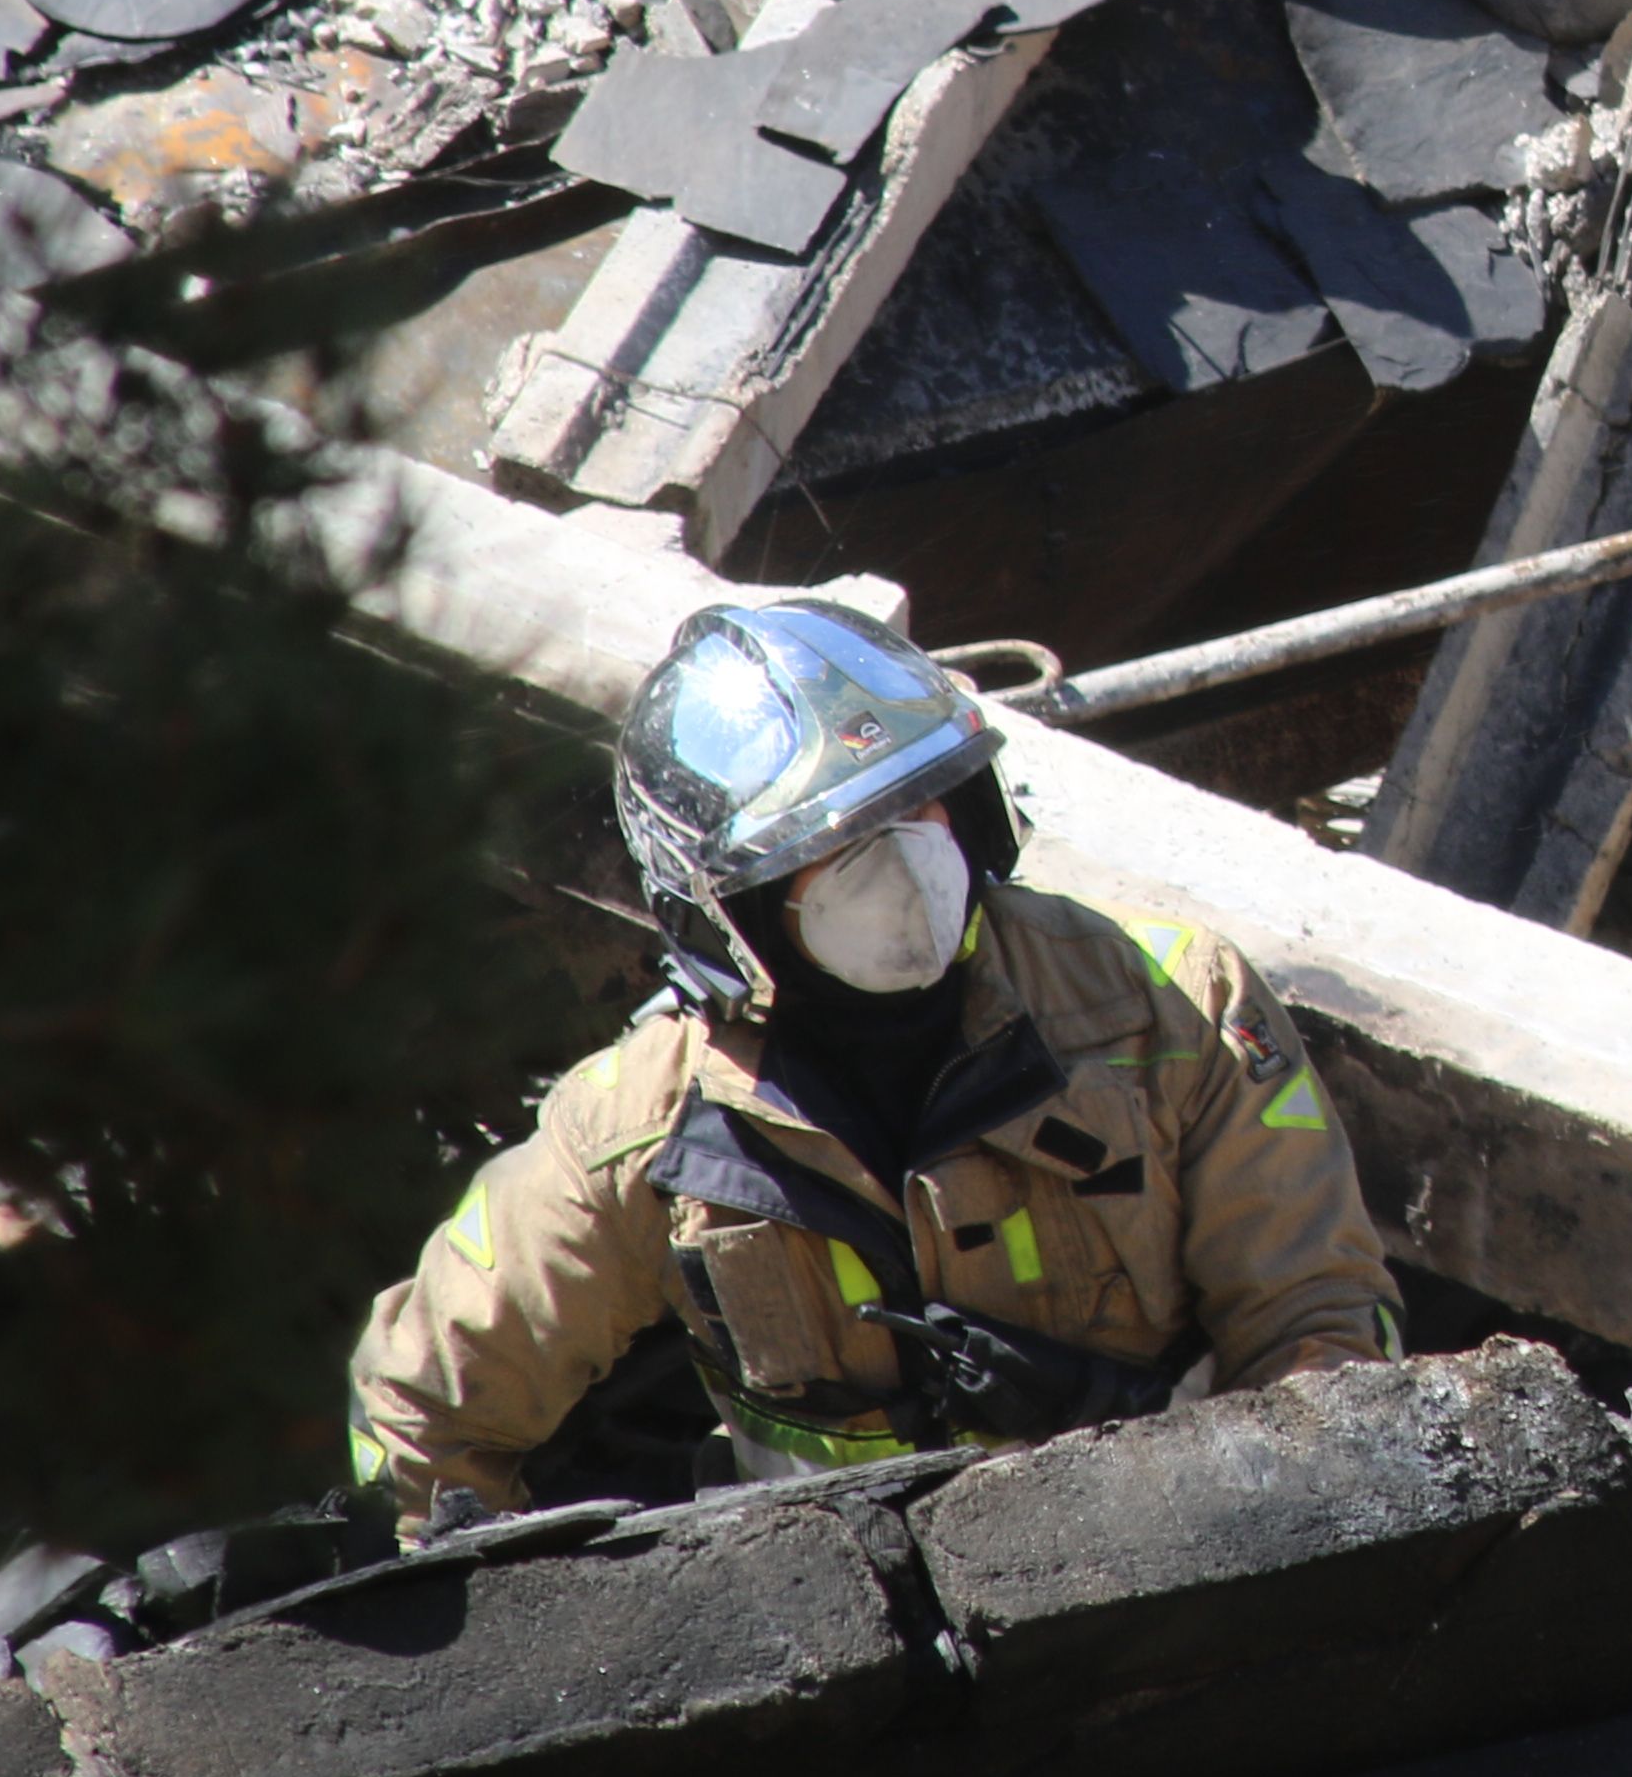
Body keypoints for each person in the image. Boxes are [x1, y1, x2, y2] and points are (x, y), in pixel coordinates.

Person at [347, 600, 1405, 1519]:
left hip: (1168, 1549)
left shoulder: (1173, 1004)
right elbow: (424, 1406)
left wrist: (1235, 1510)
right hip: (840, 1631)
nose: (903, 859)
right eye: (830, 847)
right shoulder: (643, 1124)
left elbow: (1321, 1321)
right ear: (730, 913)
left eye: (919, 804)